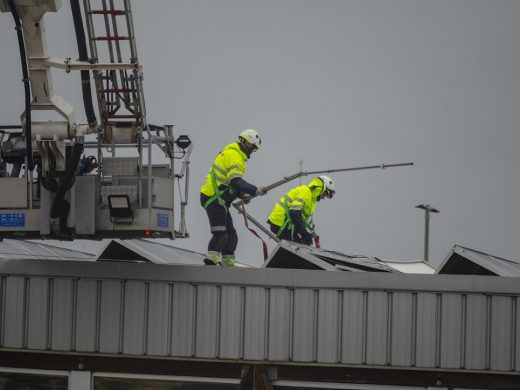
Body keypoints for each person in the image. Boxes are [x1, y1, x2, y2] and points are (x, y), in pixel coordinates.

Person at [200, 129, 266, 266]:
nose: (251, 150)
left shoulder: (237, 155)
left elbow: (230, 183)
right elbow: (235, 181)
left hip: (220, 201)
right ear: (242, 141)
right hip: (214, 199)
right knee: (221, 234)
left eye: (253, 148)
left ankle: (228, 264)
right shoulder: (234, 155)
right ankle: (210, 263)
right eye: (251, 146)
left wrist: (242, 195)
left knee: (231, 235)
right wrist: (255, 190)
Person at [267, 176, 335, 245]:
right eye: (325, 193)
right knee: (299, 248)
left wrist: (305, 233)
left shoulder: (311, 200)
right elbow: (294, 213)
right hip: (281, 222)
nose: (324, 197)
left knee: (299, 247)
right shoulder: (306, 192)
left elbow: (299, 218)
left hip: (284, 222)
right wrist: (305, 234)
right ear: (322, 189)